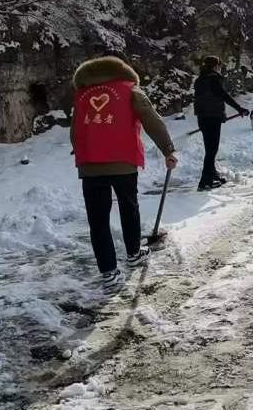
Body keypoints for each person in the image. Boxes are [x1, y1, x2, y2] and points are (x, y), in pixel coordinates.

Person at [71, 55, 179, 293]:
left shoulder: (82, 95)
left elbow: (75, 130)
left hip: (90, 165)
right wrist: (168, 150)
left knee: (97, 220)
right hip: (122, 162)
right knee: (128, 206)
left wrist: (82, 153)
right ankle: (133, 253)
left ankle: (108, 273)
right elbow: (152, 120)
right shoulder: (130, 90)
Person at [194, 56, 249, 191]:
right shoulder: (214, 79)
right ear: (215, 66)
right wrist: (239, 108)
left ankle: (212, 175)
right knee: (212, 150)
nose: (220, 67)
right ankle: (204, 182)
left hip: (202, 117)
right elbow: (224, 96)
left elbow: (203, 99)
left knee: (209, 149)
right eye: (219, 65)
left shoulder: (199, 80)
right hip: (212, 117)